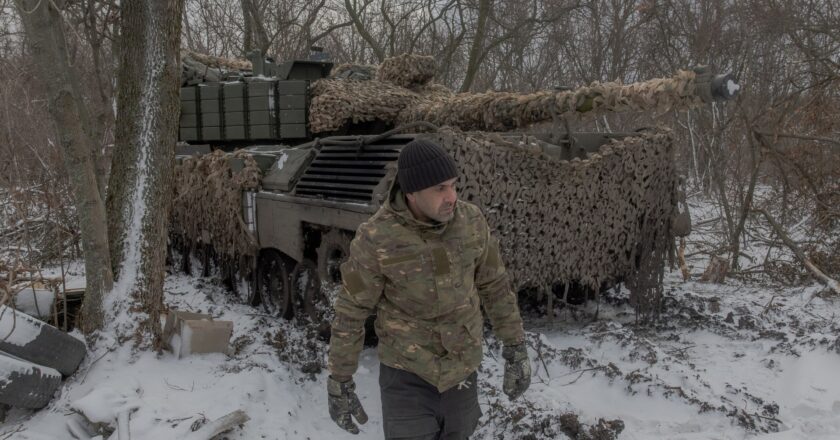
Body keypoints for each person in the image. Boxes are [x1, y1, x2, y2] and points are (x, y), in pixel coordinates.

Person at [327, 138, 530, 439]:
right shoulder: (375, 238)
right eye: (439, 189)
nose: (451, 197)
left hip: (461, 372)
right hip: (406, 377)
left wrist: (515, 348)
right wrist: (340, 380)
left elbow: (495, 286)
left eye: (453, 185)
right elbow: (351, 309)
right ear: (411, 193)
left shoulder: (471, 222)